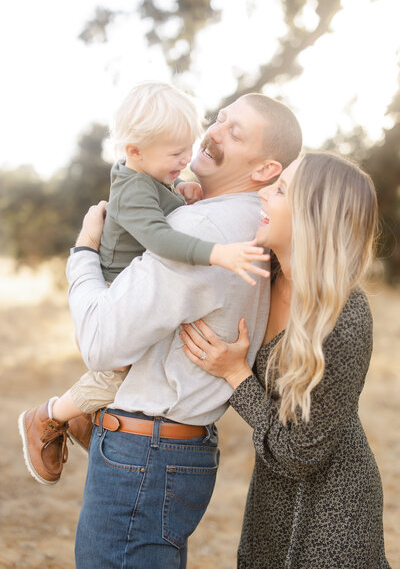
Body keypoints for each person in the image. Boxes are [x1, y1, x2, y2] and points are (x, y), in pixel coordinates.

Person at [50, 92, 301, 569]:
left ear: (267, 169)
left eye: (235, 131)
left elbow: (101, 344)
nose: (214, 131)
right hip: (179, 449)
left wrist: (84, 252)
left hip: (142, 453)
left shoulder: (201, 224)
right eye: (221, 118)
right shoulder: (257, 223)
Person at [18, 82, 273, 486]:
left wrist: (183, 191)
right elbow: (160, 238)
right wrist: (217, 252)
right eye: (176, 155)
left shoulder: (155, 179)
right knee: (114, 369)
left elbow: (166, 203)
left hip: (133, 292)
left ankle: (82, 415)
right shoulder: (134, 188)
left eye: (186, 149)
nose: (186, 159)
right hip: (114, 284)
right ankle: (50, 415)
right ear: (134, 152)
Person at [180, 152, 391, 569]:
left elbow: (300, 453)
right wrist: (189, 197)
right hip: (270, 494)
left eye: (280, 190)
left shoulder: (344, 317)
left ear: (312, 216)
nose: (262, 192)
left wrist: (237, 375)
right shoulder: (263, 273)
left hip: (333, 510)